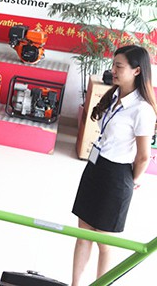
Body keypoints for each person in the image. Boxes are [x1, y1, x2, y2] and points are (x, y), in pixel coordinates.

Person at [71, 45, 157, 285]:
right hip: (95, 167)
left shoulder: (142, 110)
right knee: (82, 235)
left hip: (117, 177)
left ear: (137, 71)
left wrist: (132, 181)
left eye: (119, 66)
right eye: (114, 65)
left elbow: (143, 156)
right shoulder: (114, 95)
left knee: (104, 243)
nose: (113, 70)